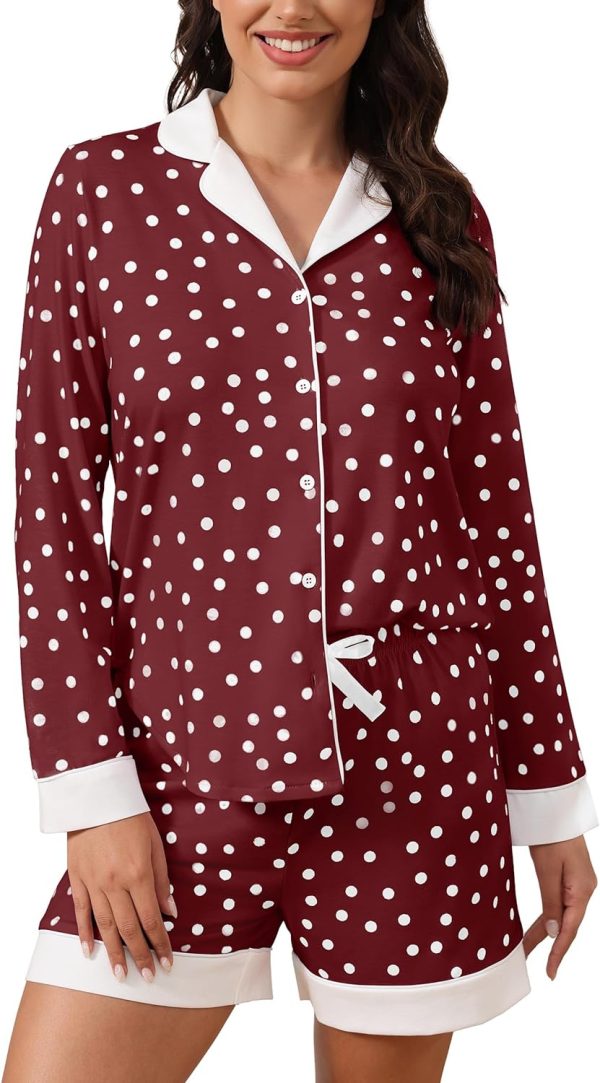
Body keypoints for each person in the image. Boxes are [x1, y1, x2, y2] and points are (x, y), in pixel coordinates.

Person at [4, 2, 599, 1081]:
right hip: (180, 768)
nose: (293, 7)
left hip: (417, 775)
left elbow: (496, 520)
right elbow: (52, 511)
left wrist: (549, 796)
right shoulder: (105, 192)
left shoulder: (440, 214)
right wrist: (90, 792)